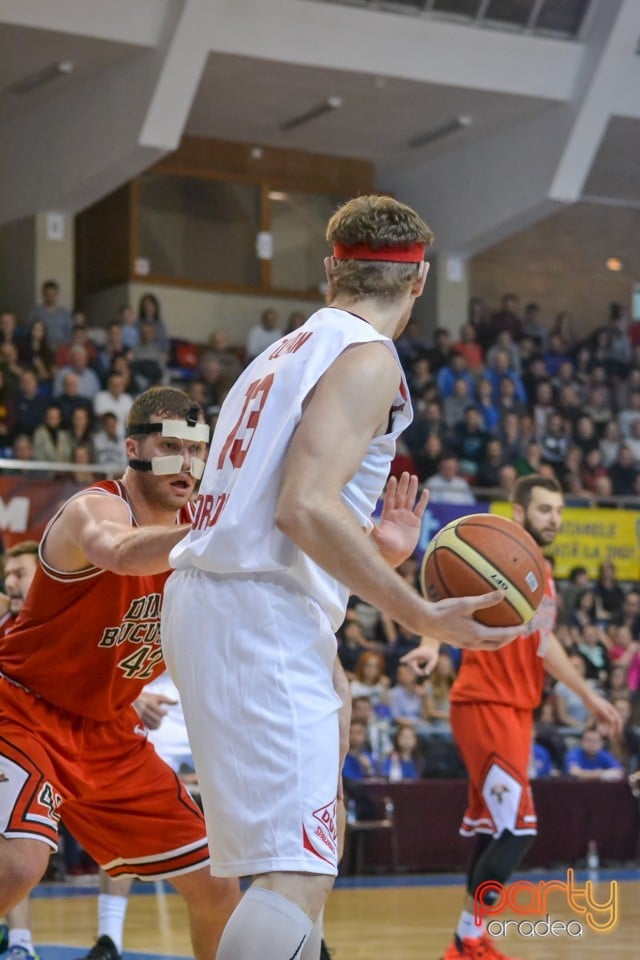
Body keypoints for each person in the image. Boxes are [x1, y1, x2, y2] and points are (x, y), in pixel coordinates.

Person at [161, 194, 521, 960]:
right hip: (255, 609)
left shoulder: (280, 354)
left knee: (299, 859)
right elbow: (300, 509)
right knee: (297, 872)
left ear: (332, 269)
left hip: (229, 602)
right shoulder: (367, 357)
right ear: (418, 284)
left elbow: (276, 511)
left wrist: (371, 553)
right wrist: (419, 613)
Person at [0, 386, 240, 959]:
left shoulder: (205, 535)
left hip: (108, 732)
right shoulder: (96, 508)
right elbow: (119, 551)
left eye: (195, 450)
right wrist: (215, 535)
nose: (185, 463)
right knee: (19, 866)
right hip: (23, 707)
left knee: (218, 886)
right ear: (133, 448)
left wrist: (380, 552)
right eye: (168, 446)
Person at [405, 474, 621, 960]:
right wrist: (428, 644)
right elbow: (446, 597)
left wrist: (588, 696)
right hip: (486, 704)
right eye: (546, 510)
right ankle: (466, 940)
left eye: (560, 511)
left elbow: (544, 645)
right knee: (519, 830)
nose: (556, 520)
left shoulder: (539, 574)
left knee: (493, 831)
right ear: (519, 514)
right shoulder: (495, 555)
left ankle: (472, 939)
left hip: (517, 712)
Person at [0, 542, 40, 960]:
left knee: (19, 848)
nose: (10, 581)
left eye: (19, 573)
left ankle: (20, 943)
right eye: (7, 575)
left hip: (36, 750)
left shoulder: (56, 625)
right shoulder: (5, 618)